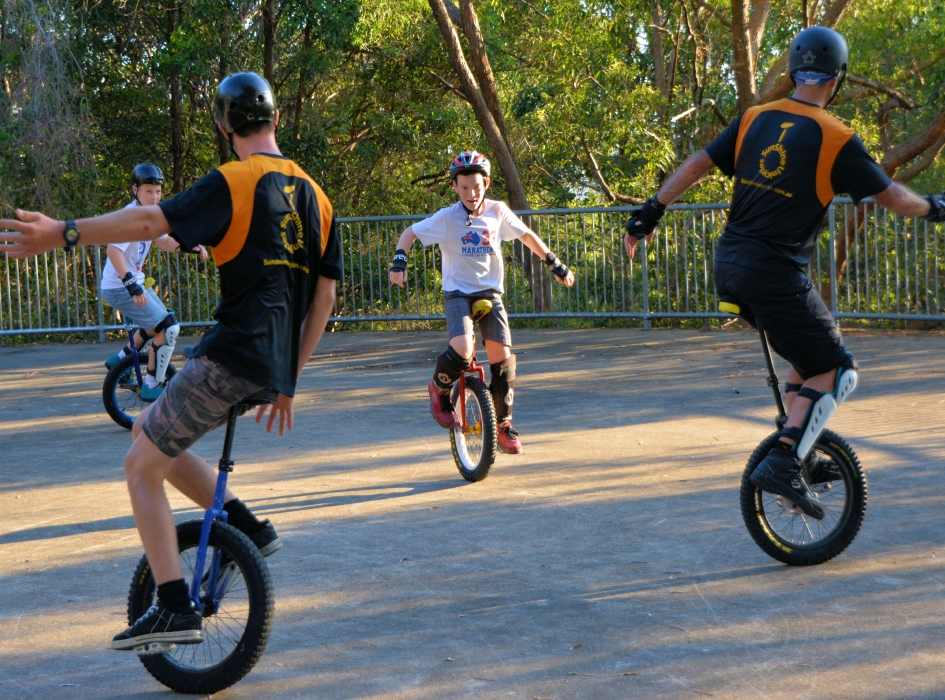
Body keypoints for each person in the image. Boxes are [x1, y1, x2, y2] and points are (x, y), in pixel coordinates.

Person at [0, 71, 341, 648]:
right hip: (272, 363)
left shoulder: (235, 179)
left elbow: (148, 221)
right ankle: (248, 525)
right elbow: (325, 299)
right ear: (276, 120)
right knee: (146, 430)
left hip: (231, 353)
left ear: (223, 124)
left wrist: (65, 231)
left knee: (140, 467)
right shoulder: (319, 195)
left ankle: (175, 606)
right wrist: (288, 382)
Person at [623, 26, 945, 519]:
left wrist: (651, 210)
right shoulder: (836, 136)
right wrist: (936, 207)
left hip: (730, 265)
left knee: (809, 356)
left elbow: (697, 164)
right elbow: (890, 196)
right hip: (774, 272)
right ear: (836, 79)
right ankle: (785, 458)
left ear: (792, 70)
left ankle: (798, 448)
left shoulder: (755, 118)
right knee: (839, 369)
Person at [389, 150, 575, 454]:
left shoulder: (498, 211)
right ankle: (439, 388)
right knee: (463, 350)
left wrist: (554, 263)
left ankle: (503, 425)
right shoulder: (447, 218)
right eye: (463, 188)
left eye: (476, 186)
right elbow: (409, 233)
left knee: (502, 359)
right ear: (454, 187)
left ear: (486, 183)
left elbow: (526, 235)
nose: (471, 194)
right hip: (458, 293)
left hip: (490, 293)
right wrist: (399, 263)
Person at [101, 163, 208, 401]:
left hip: (130, 282)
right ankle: (152, 384)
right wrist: (132, 285)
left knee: (160, 319)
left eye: (158, 191)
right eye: (148, 191)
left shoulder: (152, 214)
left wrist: (188, 246)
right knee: (168, 327)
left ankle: (119, 360)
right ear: (135, 190)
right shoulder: (130, 217)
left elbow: (164, 242)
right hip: (120, 286)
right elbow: (113, 251)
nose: (155, 196)